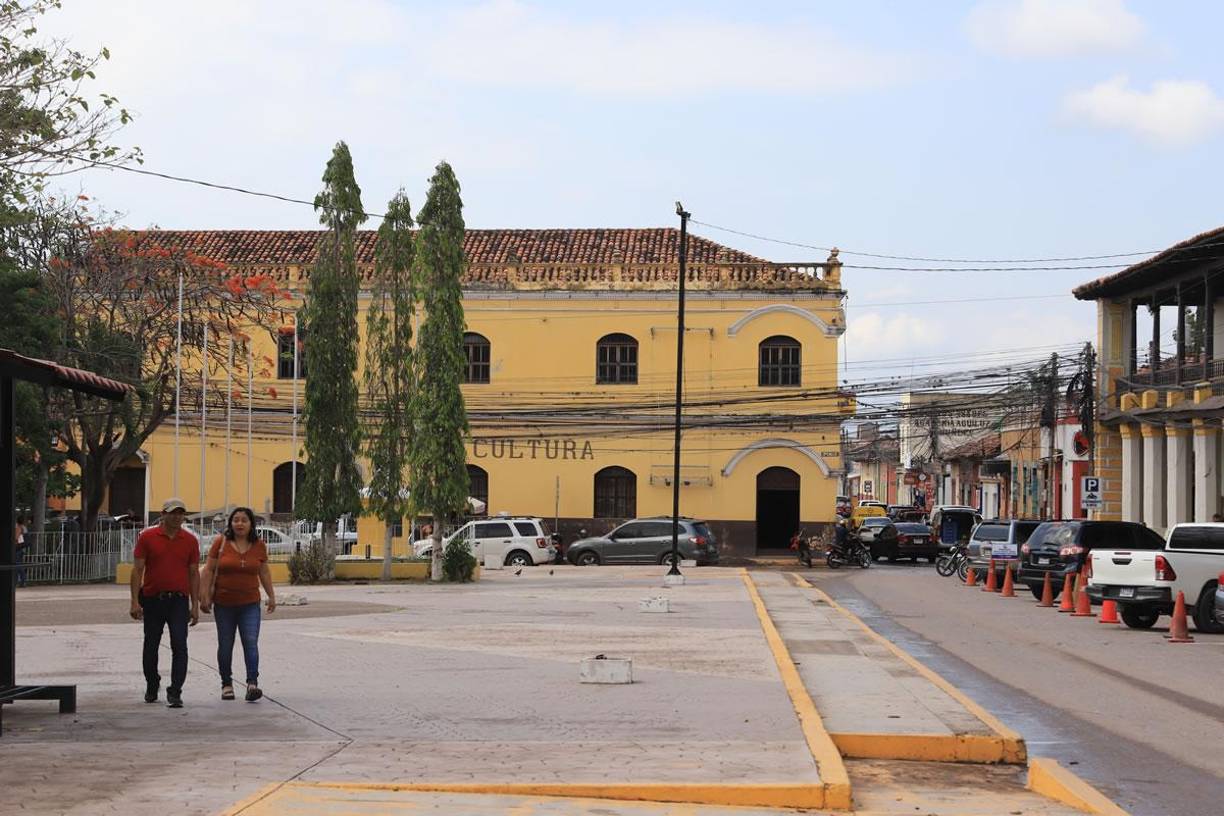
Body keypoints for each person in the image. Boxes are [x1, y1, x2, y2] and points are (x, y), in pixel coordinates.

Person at [199, 507, 276, 702]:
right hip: (224, 603)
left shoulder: (259, 545)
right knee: (225, 644)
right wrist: (204, 596)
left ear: (251, 524)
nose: (239, 523)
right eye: (236, 520)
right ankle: (226, 684)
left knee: (250, 642)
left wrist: (271, 595)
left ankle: (252, 684)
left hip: (250, 603)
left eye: (244, 520)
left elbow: (264, 572)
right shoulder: (221, 543)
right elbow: (208, 570)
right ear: (230, 523)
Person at [130, 498, 200, 708]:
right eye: (173, 513)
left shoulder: (189, 540)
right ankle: (152, 683)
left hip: (178, 600)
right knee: (151, 644)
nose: (177, 517)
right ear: (163, 514)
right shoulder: (148, 537)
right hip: (153, 599)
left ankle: (175, 690)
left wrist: (194, 604)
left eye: (180, 513)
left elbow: (194, 573)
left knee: (180, 644)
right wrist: (134, 601)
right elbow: (137, 570)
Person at [14, 515, 27, 588]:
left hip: (18, 548)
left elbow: (16, 538)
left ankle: (21, 581)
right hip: (22, 548)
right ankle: (22, 581)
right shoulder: (24, 527)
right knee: (19, 564)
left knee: (17, 564)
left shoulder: (19, 527)